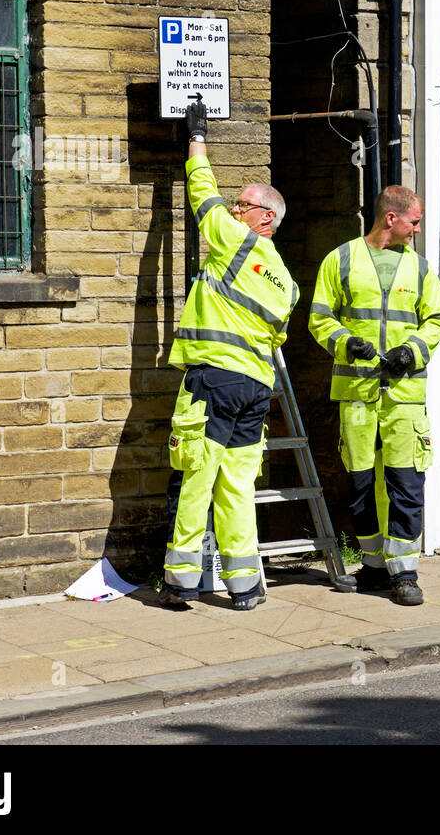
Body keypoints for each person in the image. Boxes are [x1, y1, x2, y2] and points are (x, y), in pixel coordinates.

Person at [161, 96, 297, 611]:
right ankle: (244, 587)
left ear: (265, 216)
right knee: (237, 487)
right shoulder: (285, 279)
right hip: (257, 389)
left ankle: (179, 583)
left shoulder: (237, 243)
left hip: (213, 382)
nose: (234, 210)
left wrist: (196, 138)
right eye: (237, 206)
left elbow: (202, 195)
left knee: (196, 476)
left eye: (243, 205)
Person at [309, 186, 440, 606]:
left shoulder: (421, 269)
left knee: (405, 482)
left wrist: (411, 351)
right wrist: (345, 342)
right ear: (391, 218)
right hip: (356, 392)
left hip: (404, 394)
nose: (418, 230)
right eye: (415, 222)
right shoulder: (342, 259)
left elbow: (438, 319)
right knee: (361, 483)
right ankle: (373, 567)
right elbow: (320, 316)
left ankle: (405, 572)